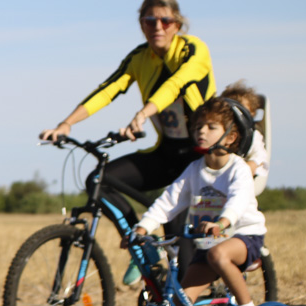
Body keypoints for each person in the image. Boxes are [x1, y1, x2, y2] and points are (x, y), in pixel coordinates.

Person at [40, 0, 215, 283]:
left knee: (177, 232)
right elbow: (109, 89)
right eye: (149, 21)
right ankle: (143, 248)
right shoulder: (140, 57)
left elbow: (175, 85)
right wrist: (66, 124)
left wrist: (144, 113)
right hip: (166, 153)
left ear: (177, 25)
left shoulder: (194, 50)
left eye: (165, 21)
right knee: (99, 180)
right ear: (141, 25)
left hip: (198, 158)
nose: (157, 27)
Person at [127, 97, 266, 306]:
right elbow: (169, 201)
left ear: (230, 136)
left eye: (211, 126)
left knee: (218, 255)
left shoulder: (238, 167)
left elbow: (240, 200)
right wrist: (143, 227)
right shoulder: (194, 169)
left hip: (244, 237)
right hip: (210, 245)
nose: (201, 131)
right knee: (181, 302)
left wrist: (223, 222)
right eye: (198, 126)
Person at [221, 80, 270, 180]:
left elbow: (259, 155)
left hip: (243, 177)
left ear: (251, 113)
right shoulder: (219, 133)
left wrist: (251, 165)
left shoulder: (253, 135)